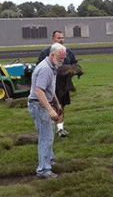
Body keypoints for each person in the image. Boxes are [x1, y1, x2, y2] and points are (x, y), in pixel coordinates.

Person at [28, 43, 67, 179]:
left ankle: (49, 161)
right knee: (46, 137)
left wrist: (56, 103)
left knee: (48, 135)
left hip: (45, 104)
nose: (61, 62)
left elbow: (49, 89)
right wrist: (50, 110)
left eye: (63, 59)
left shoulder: (52, 67)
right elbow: (39, 91)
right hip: (39, 105)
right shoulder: (45, 69)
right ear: (51, 55)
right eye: (59, 59)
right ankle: (43, 170)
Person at [37, 30, 78, 137]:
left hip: (64, 85)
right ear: (53, 39)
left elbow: (75, 64)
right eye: (58, 38)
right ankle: (47, 130)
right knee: (49, 107)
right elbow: (39, 67)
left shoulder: (69, 52)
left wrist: (71, 70)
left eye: (62, 38)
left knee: (61, 106)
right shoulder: (45, 53)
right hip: (49, 85)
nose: (61, 40)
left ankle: (60, 129)